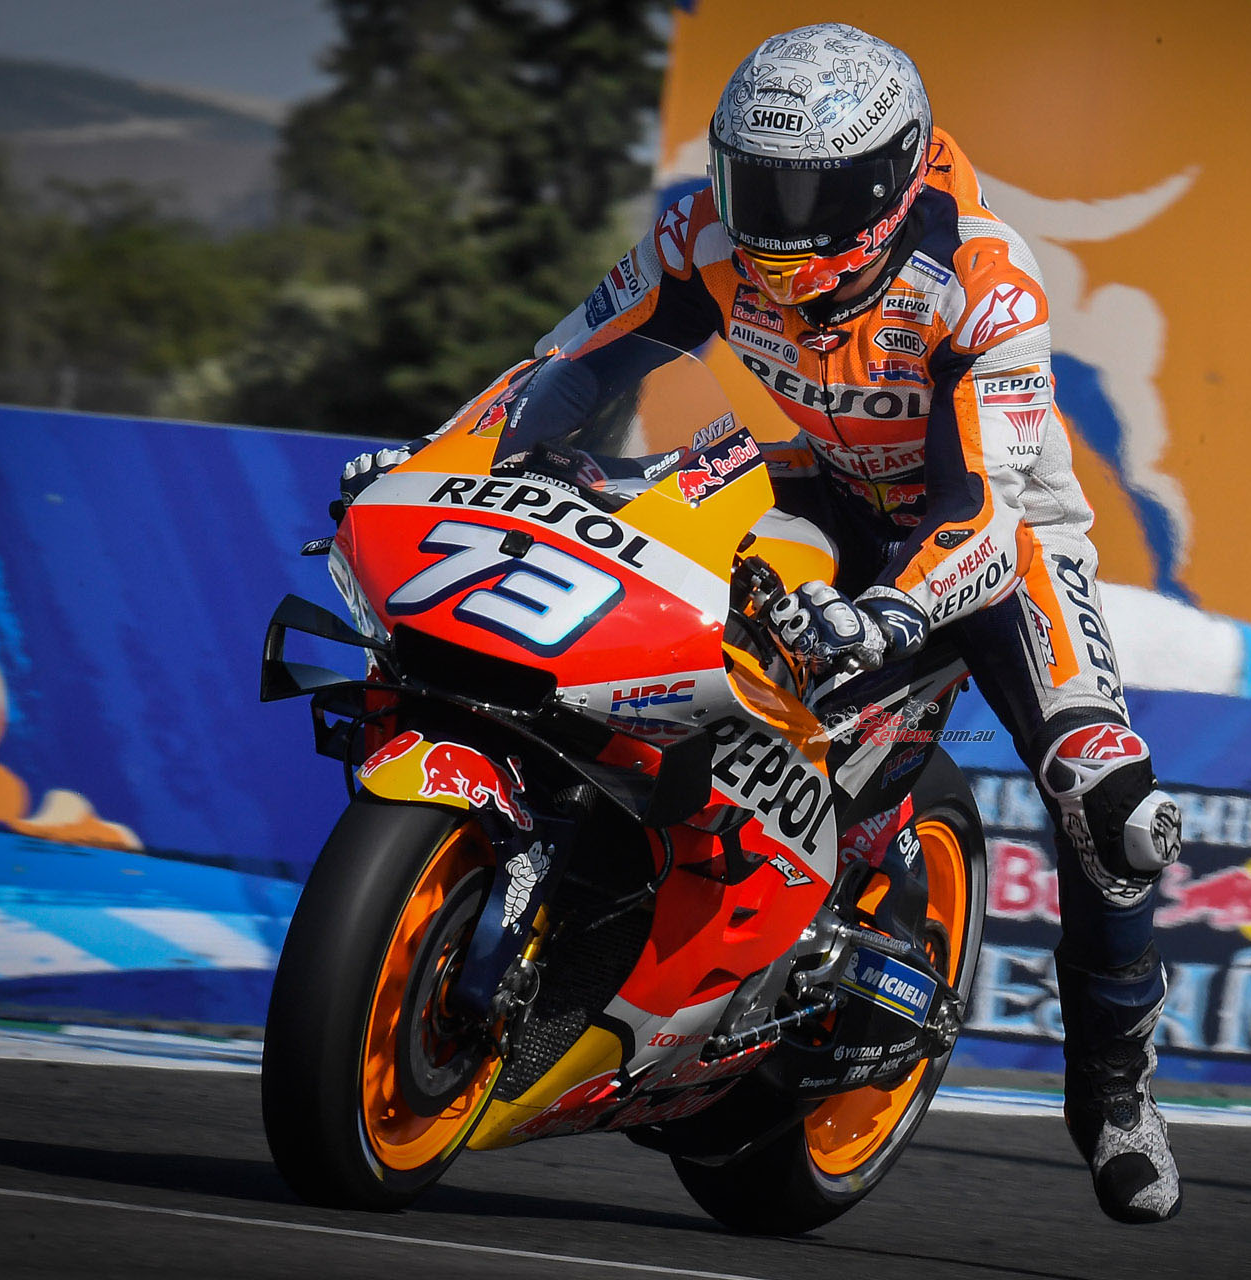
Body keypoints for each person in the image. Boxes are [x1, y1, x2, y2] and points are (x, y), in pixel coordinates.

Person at [340, 23, 1185, 1224]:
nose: (774, 227)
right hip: (821, 484)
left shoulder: (984, 284)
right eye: (755, 184)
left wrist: (894, 608)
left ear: (886, 184)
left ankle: (1115, 1089)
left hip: (998, 543)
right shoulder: (702, 236)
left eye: (809, 195)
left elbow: (981, 507)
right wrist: (439, 462)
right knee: (632, 584)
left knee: (1113, 806)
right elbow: (563, 367)